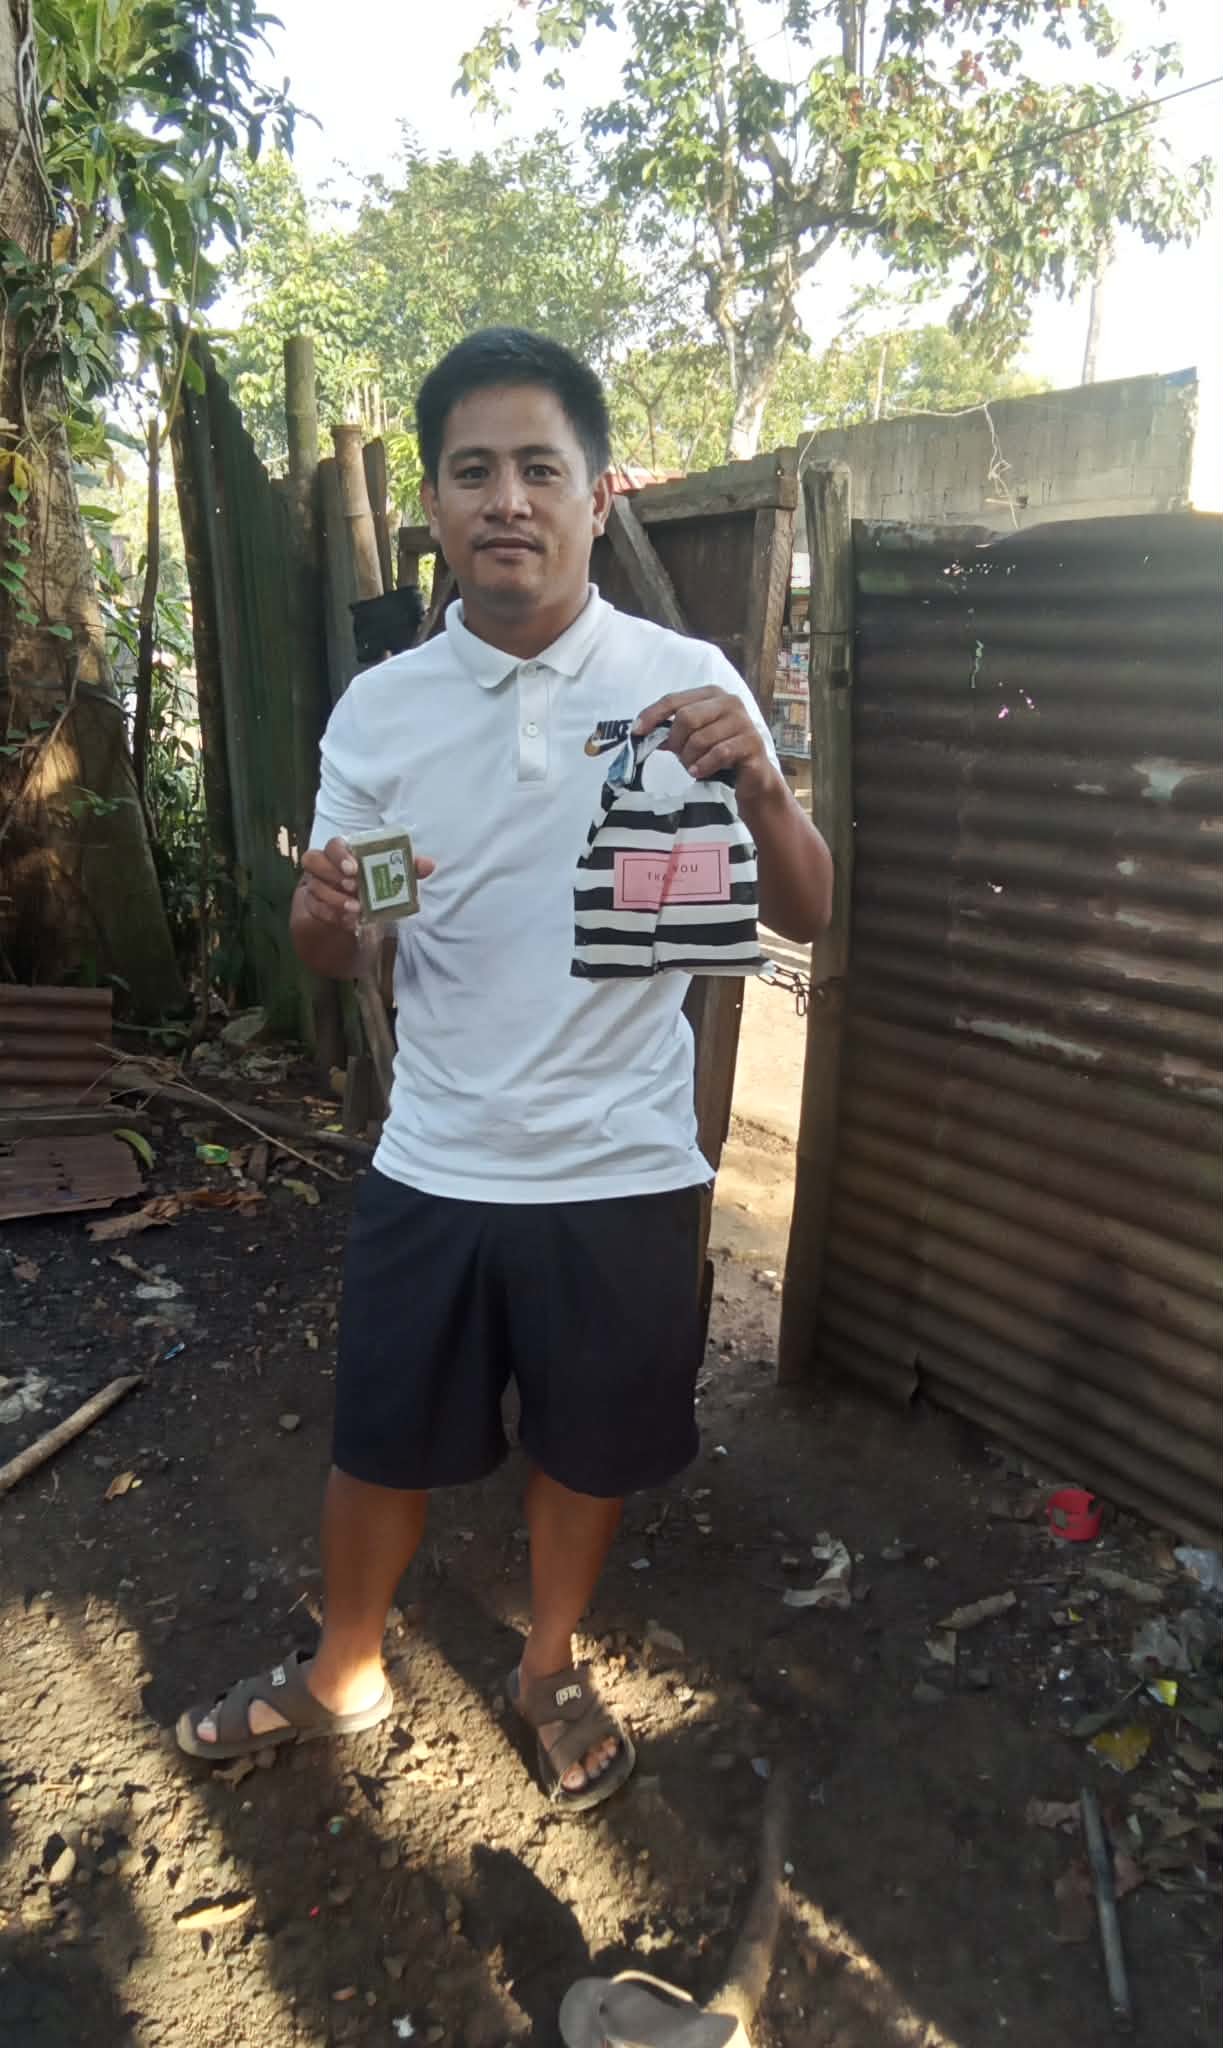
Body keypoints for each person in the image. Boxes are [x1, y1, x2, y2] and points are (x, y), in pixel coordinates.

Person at [177, 327, 833, 1812]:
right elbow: (338, 945)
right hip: (439, 1155)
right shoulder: (385, 710)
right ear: (434, 504)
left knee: (586, 1453)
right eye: (473, 472)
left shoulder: (685, 684)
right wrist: (324, 913)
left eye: (541, 468)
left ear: (596, 495)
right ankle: (344, 1669)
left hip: (624, 1163)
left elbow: (805, 911)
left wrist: (765, 783)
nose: (508, 500)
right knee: (377, 1443)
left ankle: (545, 1665)